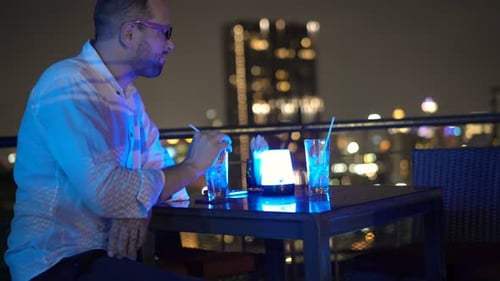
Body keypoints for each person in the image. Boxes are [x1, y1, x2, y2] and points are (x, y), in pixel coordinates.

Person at [4, 0, 230, 280]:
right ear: (130, 33)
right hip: (56, 264)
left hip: (105, 260)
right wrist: (193, 166)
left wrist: (137, 202)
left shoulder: (129, 97)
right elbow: (109, 193)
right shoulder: (67, 84)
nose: (170, 45)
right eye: (165, 32)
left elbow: (161, 180)